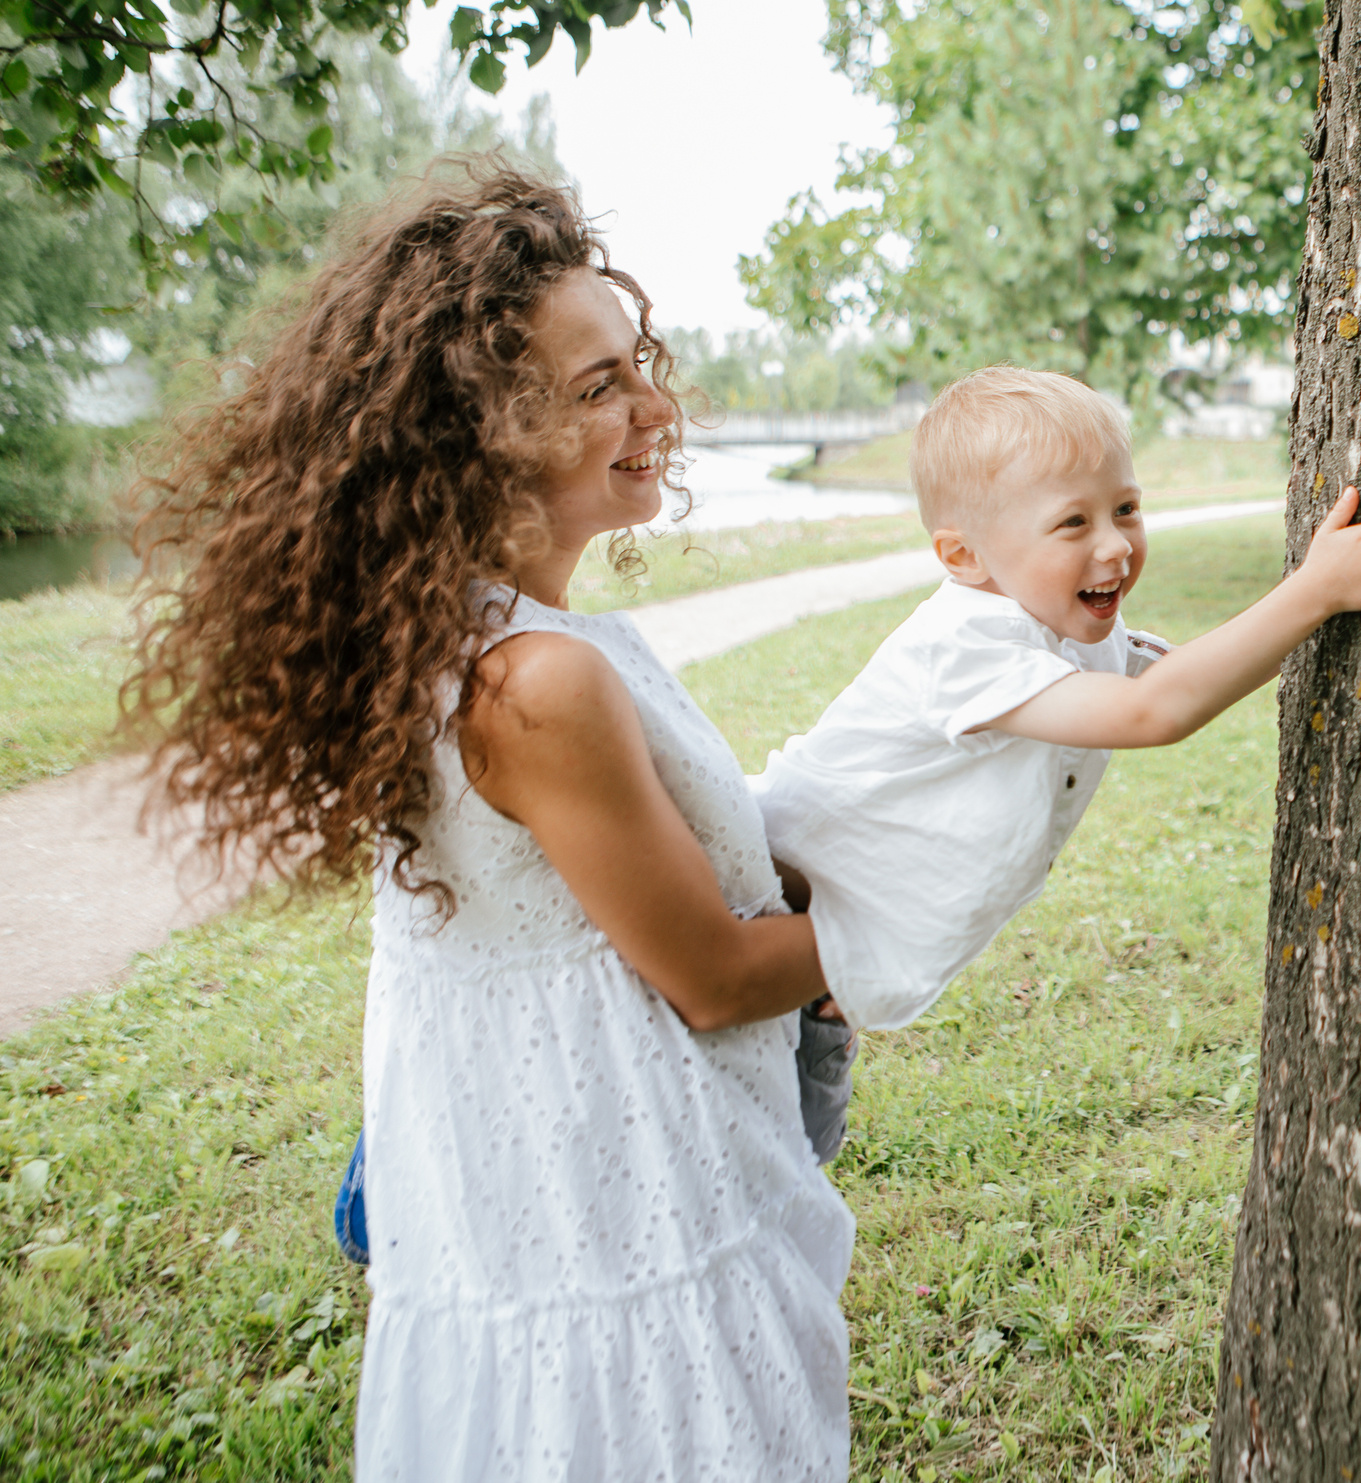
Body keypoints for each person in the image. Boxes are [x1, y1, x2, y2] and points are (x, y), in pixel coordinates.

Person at [126, 159, 855, 1481]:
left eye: (642, 362)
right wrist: (897, 918)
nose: (656, 407)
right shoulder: (536, 682)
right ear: (480, 439)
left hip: (534, 1176)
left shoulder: (445, 633)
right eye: (600, 388)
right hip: (613, 1195)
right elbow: (709, 974)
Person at [752, 366, 1361, 1036]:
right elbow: (1154, 709)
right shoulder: (962, 644)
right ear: (965, 556)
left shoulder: (1071, 632)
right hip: (756, 902)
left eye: (1126, 508)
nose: (1116, 544)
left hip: (828, 958)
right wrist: (1315, 590)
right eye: (1073, 523)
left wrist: (1326, 597)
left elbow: (1198, 676)